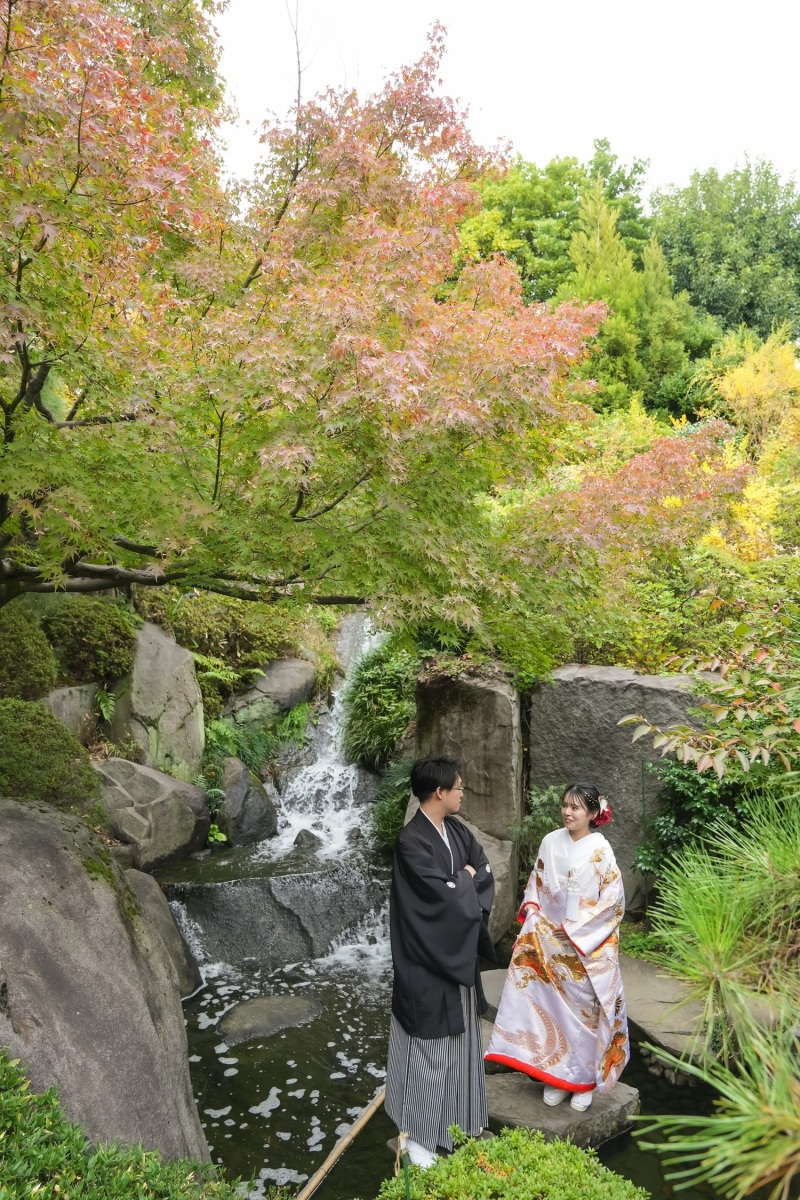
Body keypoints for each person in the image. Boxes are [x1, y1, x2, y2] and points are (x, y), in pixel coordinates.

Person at [485, 783, 629, 1111]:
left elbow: (613, 902)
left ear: (593, 813)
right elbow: (536, 884)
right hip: (549, 942)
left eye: (576, 807)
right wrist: (534, 911)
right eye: (565, 805)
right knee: (552, 1012)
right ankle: (558, 1075)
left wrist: (577, 930)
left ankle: (584, 1081)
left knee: (585, 1016)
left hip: (584, 946)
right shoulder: (550, 841)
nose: (567, 812)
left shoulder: (602, 851)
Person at [385, 755, 495, 1168]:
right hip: (424, 960)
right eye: (459, 786)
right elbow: (441, 898)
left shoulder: (457, 830)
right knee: (427, 1051)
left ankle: (460, 1122)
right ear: (439, 792)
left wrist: (460, 880)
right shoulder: (411, 841)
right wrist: (463, 879)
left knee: (462, 1047)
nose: (463, 792)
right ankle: (418, 1138)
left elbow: (483, 868)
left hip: (456, 956)